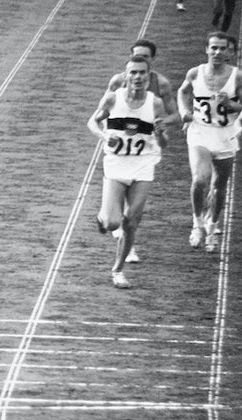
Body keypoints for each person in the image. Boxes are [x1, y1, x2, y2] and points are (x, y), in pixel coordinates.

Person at [89, 55, 169, 289]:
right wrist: (104, 136)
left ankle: (118, 270)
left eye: (142, 72)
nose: (137, 77)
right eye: (133, 72)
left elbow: (164, 143)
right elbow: (92, 122)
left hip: (143, 164)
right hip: (116, 164)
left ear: (148, 77)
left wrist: (160, 133)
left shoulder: (155, 103)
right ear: (125, 76)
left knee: (131, 221)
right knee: (113, 223)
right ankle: (103, 218)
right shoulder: (113, 99)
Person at [105, 39, 179, 264]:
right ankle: (111, 217)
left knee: (133, 211)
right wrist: (110, 134)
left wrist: (158, 124)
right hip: (121, 148)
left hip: (146, 149)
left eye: (146, 57)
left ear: (152, 60)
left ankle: (129, 247)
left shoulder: (161, 84)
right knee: (115, 215)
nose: (140, 62)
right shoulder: (118, 81)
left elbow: (175, 115)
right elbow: (106, 110)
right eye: (136, 56)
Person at [178, 31, 242, 253]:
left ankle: (212, 226)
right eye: (214, 48)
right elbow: (182, 92)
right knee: (200, 179)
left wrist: (231, 104)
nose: (218, 52)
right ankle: (197, 225)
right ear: (207, 50)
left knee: (219, 186)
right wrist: (184, 112)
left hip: (225, 135)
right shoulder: (195, 73)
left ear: (229, 52)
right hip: (200, 132)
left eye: (222, 48)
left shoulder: (238, 77)